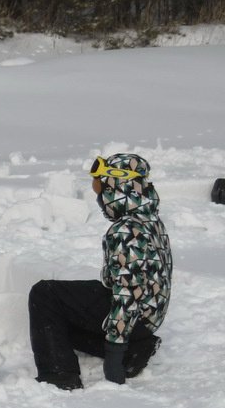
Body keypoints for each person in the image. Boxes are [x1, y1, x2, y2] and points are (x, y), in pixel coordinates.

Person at [28, 153, 172, 391]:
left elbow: (128, 294)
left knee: (45, 294)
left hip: (134, 319)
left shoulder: (127, 230)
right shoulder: (150, 221)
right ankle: (136, 350)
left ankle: (60, 377)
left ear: (117, 186)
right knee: (62, 314)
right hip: (144, 322)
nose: (98, 196)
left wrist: (114, 354)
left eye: (100, 187)